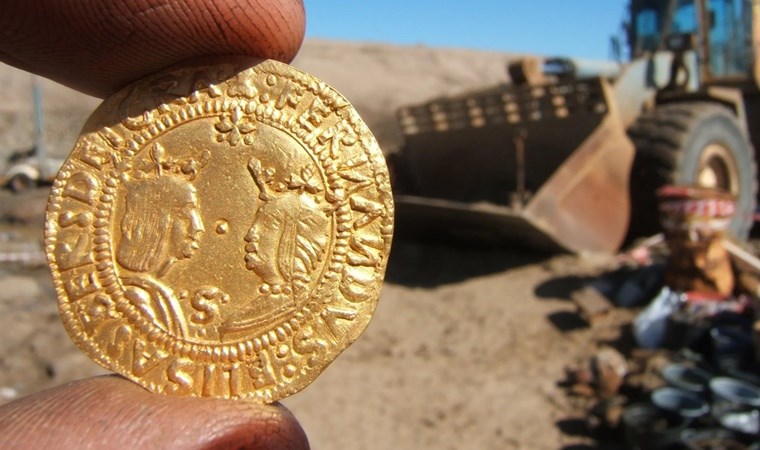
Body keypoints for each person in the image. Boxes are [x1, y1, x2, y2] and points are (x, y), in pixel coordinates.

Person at [0, 1, 310, 449]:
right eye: (187, 216)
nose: (204, 231)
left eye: (263, 224)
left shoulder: (176, 307)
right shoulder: (146, 302)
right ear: (158, 224)